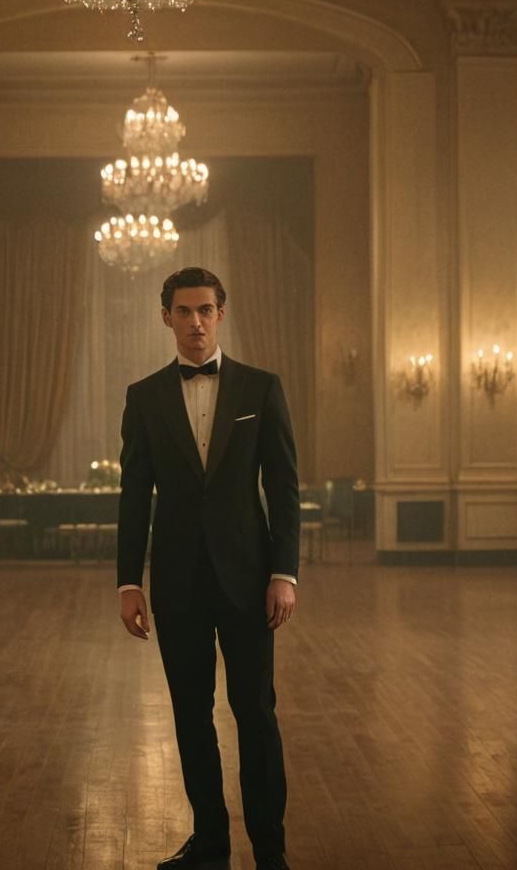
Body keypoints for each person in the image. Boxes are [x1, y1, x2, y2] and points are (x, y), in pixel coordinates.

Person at [117, 267, 300, 870]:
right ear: (165, 316)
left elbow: (284, 486)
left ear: (221, 314)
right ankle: (212, 844)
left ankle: (271, 853)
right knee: (191, 718)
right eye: (183, 311)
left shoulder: (260, 388)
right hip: (177, 583)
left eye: (205, 310)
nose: (194, 322)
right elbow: (134, 494)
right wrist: (128, 582)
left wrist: (284, 572)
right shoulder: (143, 397)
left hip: (250, 580)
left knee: (257, 716)